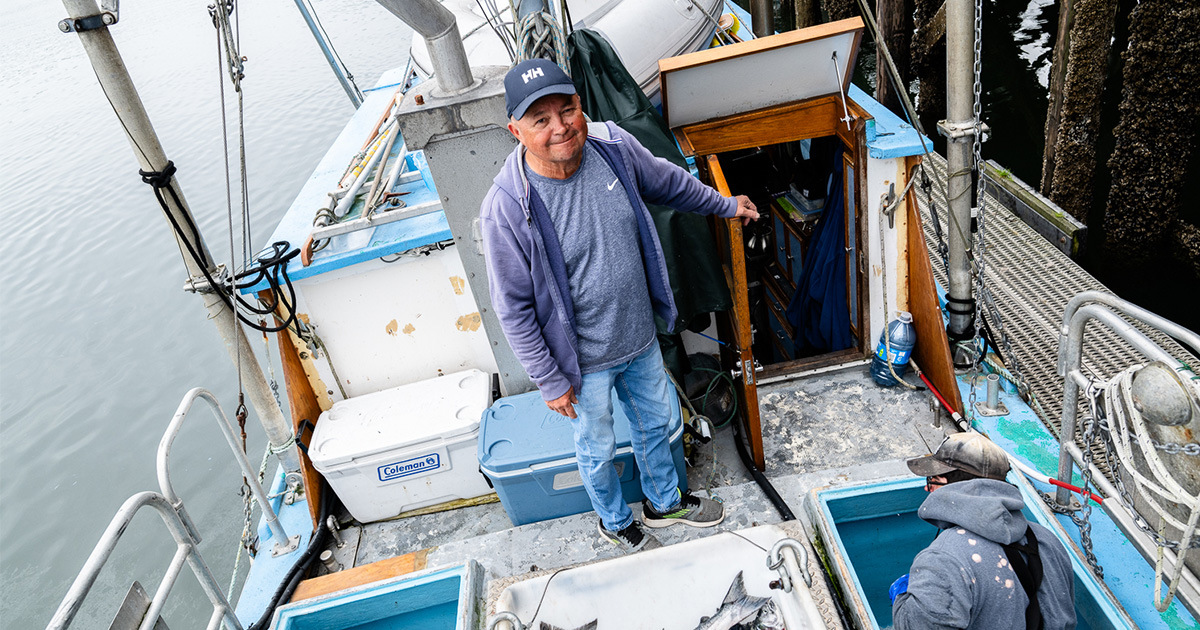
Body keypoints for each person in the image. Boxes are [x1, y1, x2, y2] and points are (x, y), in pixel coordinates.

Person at [480, 59, 760, 552]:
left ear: (580, 106)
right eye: (540, 120)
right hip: (581, 364)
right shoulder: (507, 205)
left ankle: (664, 503)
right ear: (515, 130)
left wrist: (724, 204)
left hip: (640, 338)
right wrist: (549, 379)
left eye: (566, 110)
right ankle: (613, 521)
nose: (560, 127)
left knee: (657, 422)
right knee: (597, 447)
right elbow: (513, 308)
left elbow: (668, 182)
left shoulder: (613, 146)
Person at [891, 432, 1077, 629]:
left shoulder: (943, 559)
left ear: (953, 485)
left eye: (932, 481)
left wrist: (902, 599)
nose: (927, 490)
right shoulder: (1046, 540)